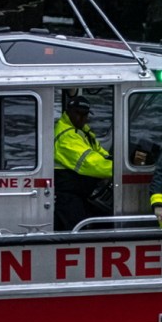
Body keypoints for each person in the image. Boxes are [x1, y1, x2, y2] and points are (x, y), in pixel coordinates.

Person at [53, 94, 113, 231]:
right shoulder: (67, 137)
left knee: (104, 216)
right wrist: (120, 169)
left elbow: (99, 152)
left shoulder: (82, 131)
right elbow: (91, 164)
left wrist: (113, 161)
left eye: (85, 114)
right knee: (78, 230)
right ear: (68, 112)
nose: (83, 118)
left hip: (79, 195)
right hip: (67, 196)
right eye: (79, 114)